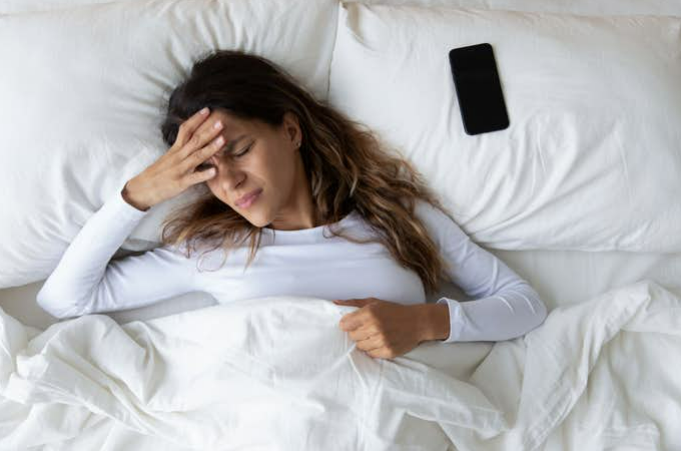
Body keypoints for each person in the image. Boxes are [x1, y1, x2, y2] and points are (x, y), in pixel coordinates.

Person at [36, 49, 547, 360]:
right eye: (206, 170)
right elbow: (64, 300)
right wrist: (139, 195)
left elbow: (525, 305)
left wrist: (422, 323)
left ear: (291, 130)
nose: (229, 181)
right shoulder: (211, 252)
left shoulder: (394, 218)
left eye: (240, 150)